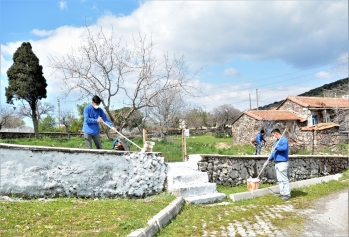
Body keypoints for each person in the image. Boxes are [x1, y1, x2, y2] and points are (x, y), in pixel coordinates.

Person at [264, 128, 291, 201]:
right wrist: (269, 159)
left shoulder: (283, 140)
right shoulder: (276, 142)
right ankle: (282, 193)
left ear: (276, 133)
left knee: (284, 179)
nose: (273, 137)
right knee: (279, 179)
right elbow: (274, 153)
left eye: (273, 135)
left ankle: (287, 194)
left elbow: (284, 148)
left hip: (282, 162)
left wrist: (277, 148)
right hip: (277, 163)